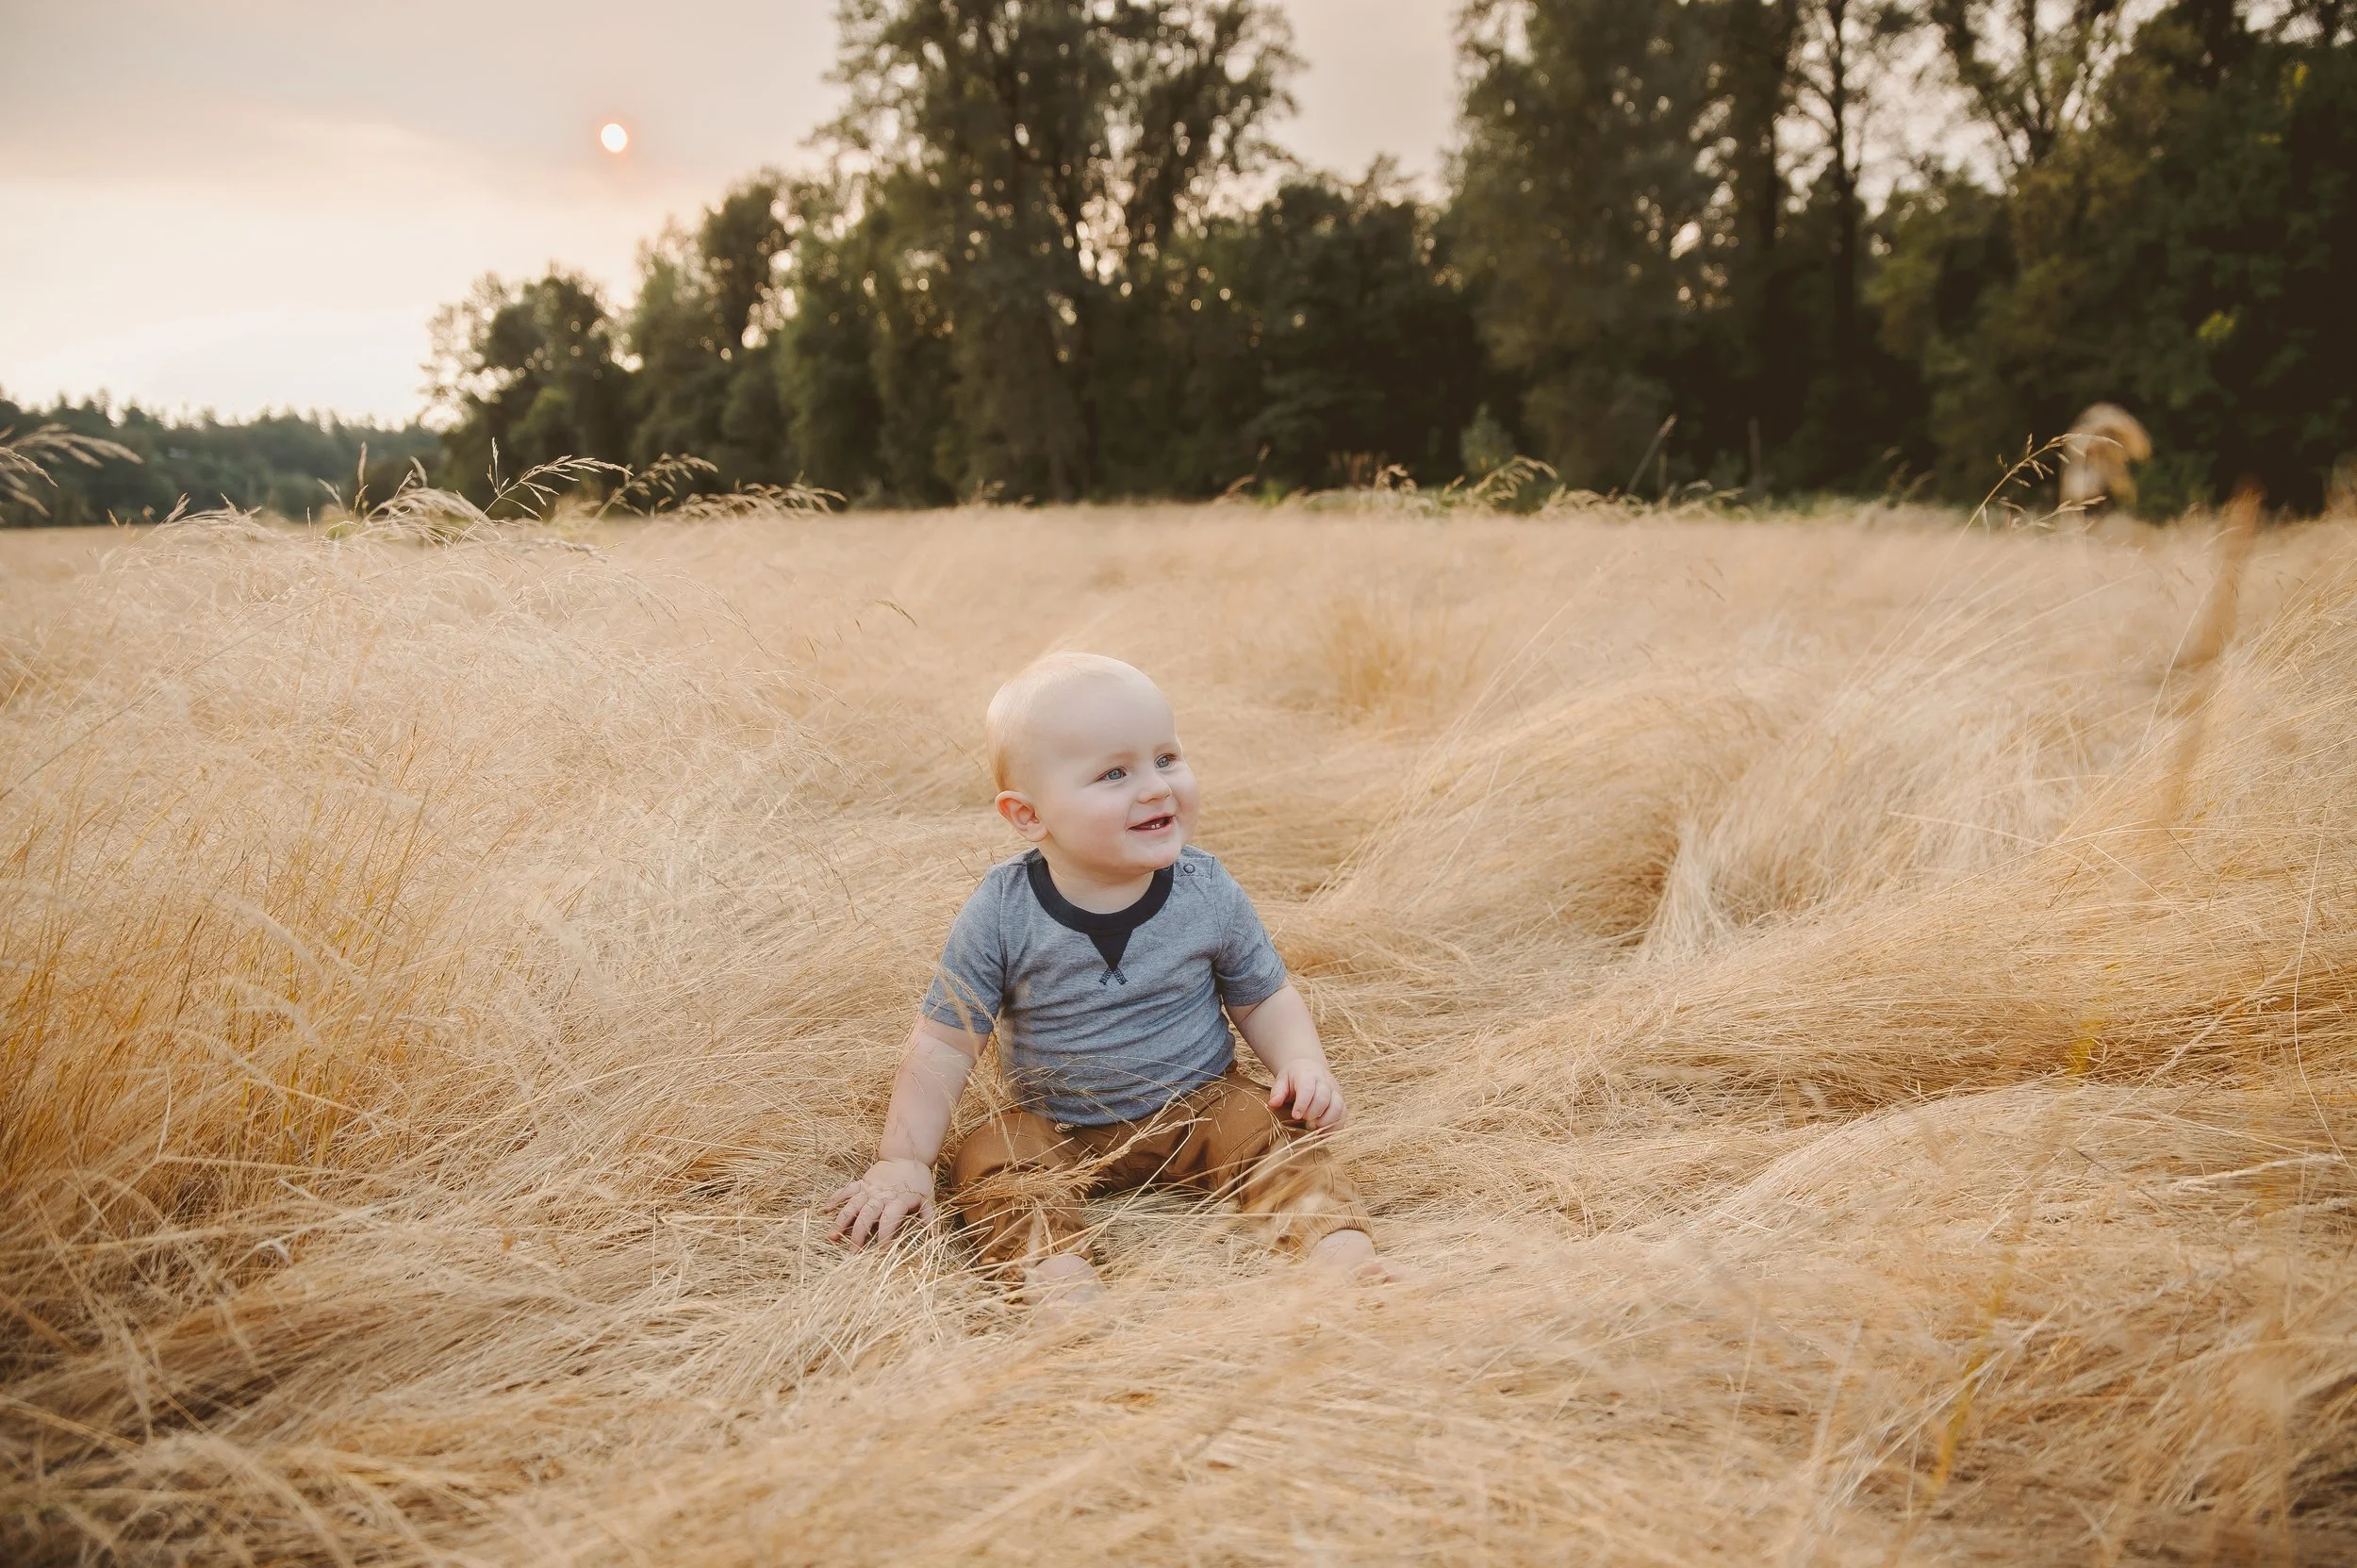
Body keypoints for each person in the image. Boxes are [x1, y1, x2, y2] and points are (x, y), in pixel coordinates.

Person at [828, 652, 1401, 1311]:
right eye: (1114, 773)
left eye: (1167, 758)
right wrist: (904, 1157)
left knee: (1279, 1137)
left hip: (1202, 1104)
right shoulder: (1002, 911)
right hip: (1059, 1123)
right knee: (987, 1157)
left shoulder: (1205, 887)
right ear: (1027, 815)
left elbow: (1261, 993)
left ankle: (1343, 1260)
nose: (1156, 787)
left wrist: (1301, 1062)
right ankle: (1059, 1283)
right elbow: (944, 1042)